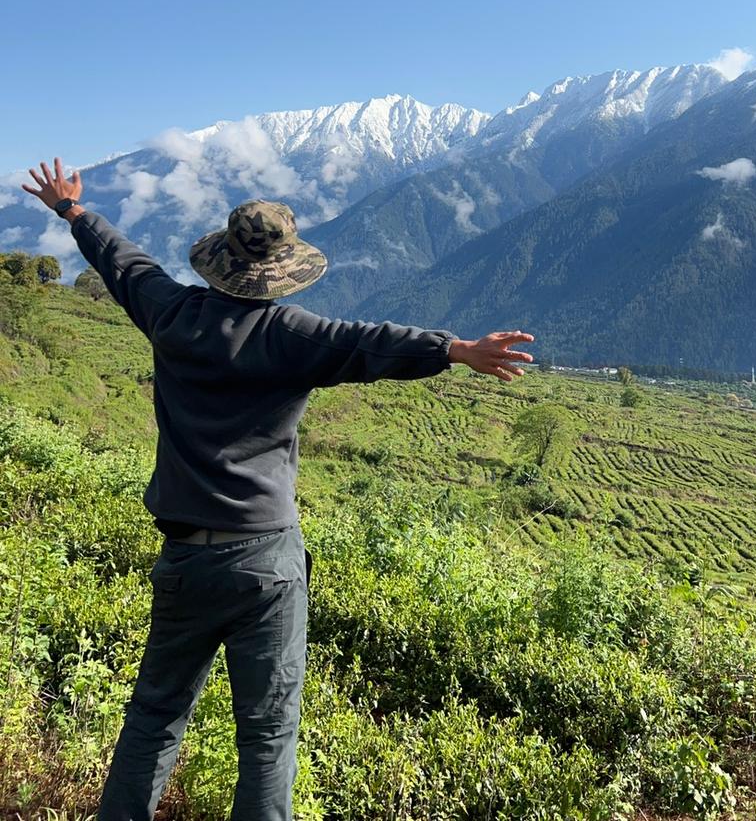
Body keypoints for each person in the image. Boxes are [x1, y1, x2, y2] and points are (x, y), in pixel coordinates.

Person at [21, 158, 535, 821]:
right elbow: (369, 344)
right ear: (281, 270)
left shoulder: (172, 313)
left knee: (153, 718)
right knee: (266, 739)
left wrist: (72, 211)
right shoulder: (291, 337)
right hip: (266, 562)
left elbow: (125, 263)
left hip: (184, 558)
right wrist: (456, 349)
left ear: (221, 259)